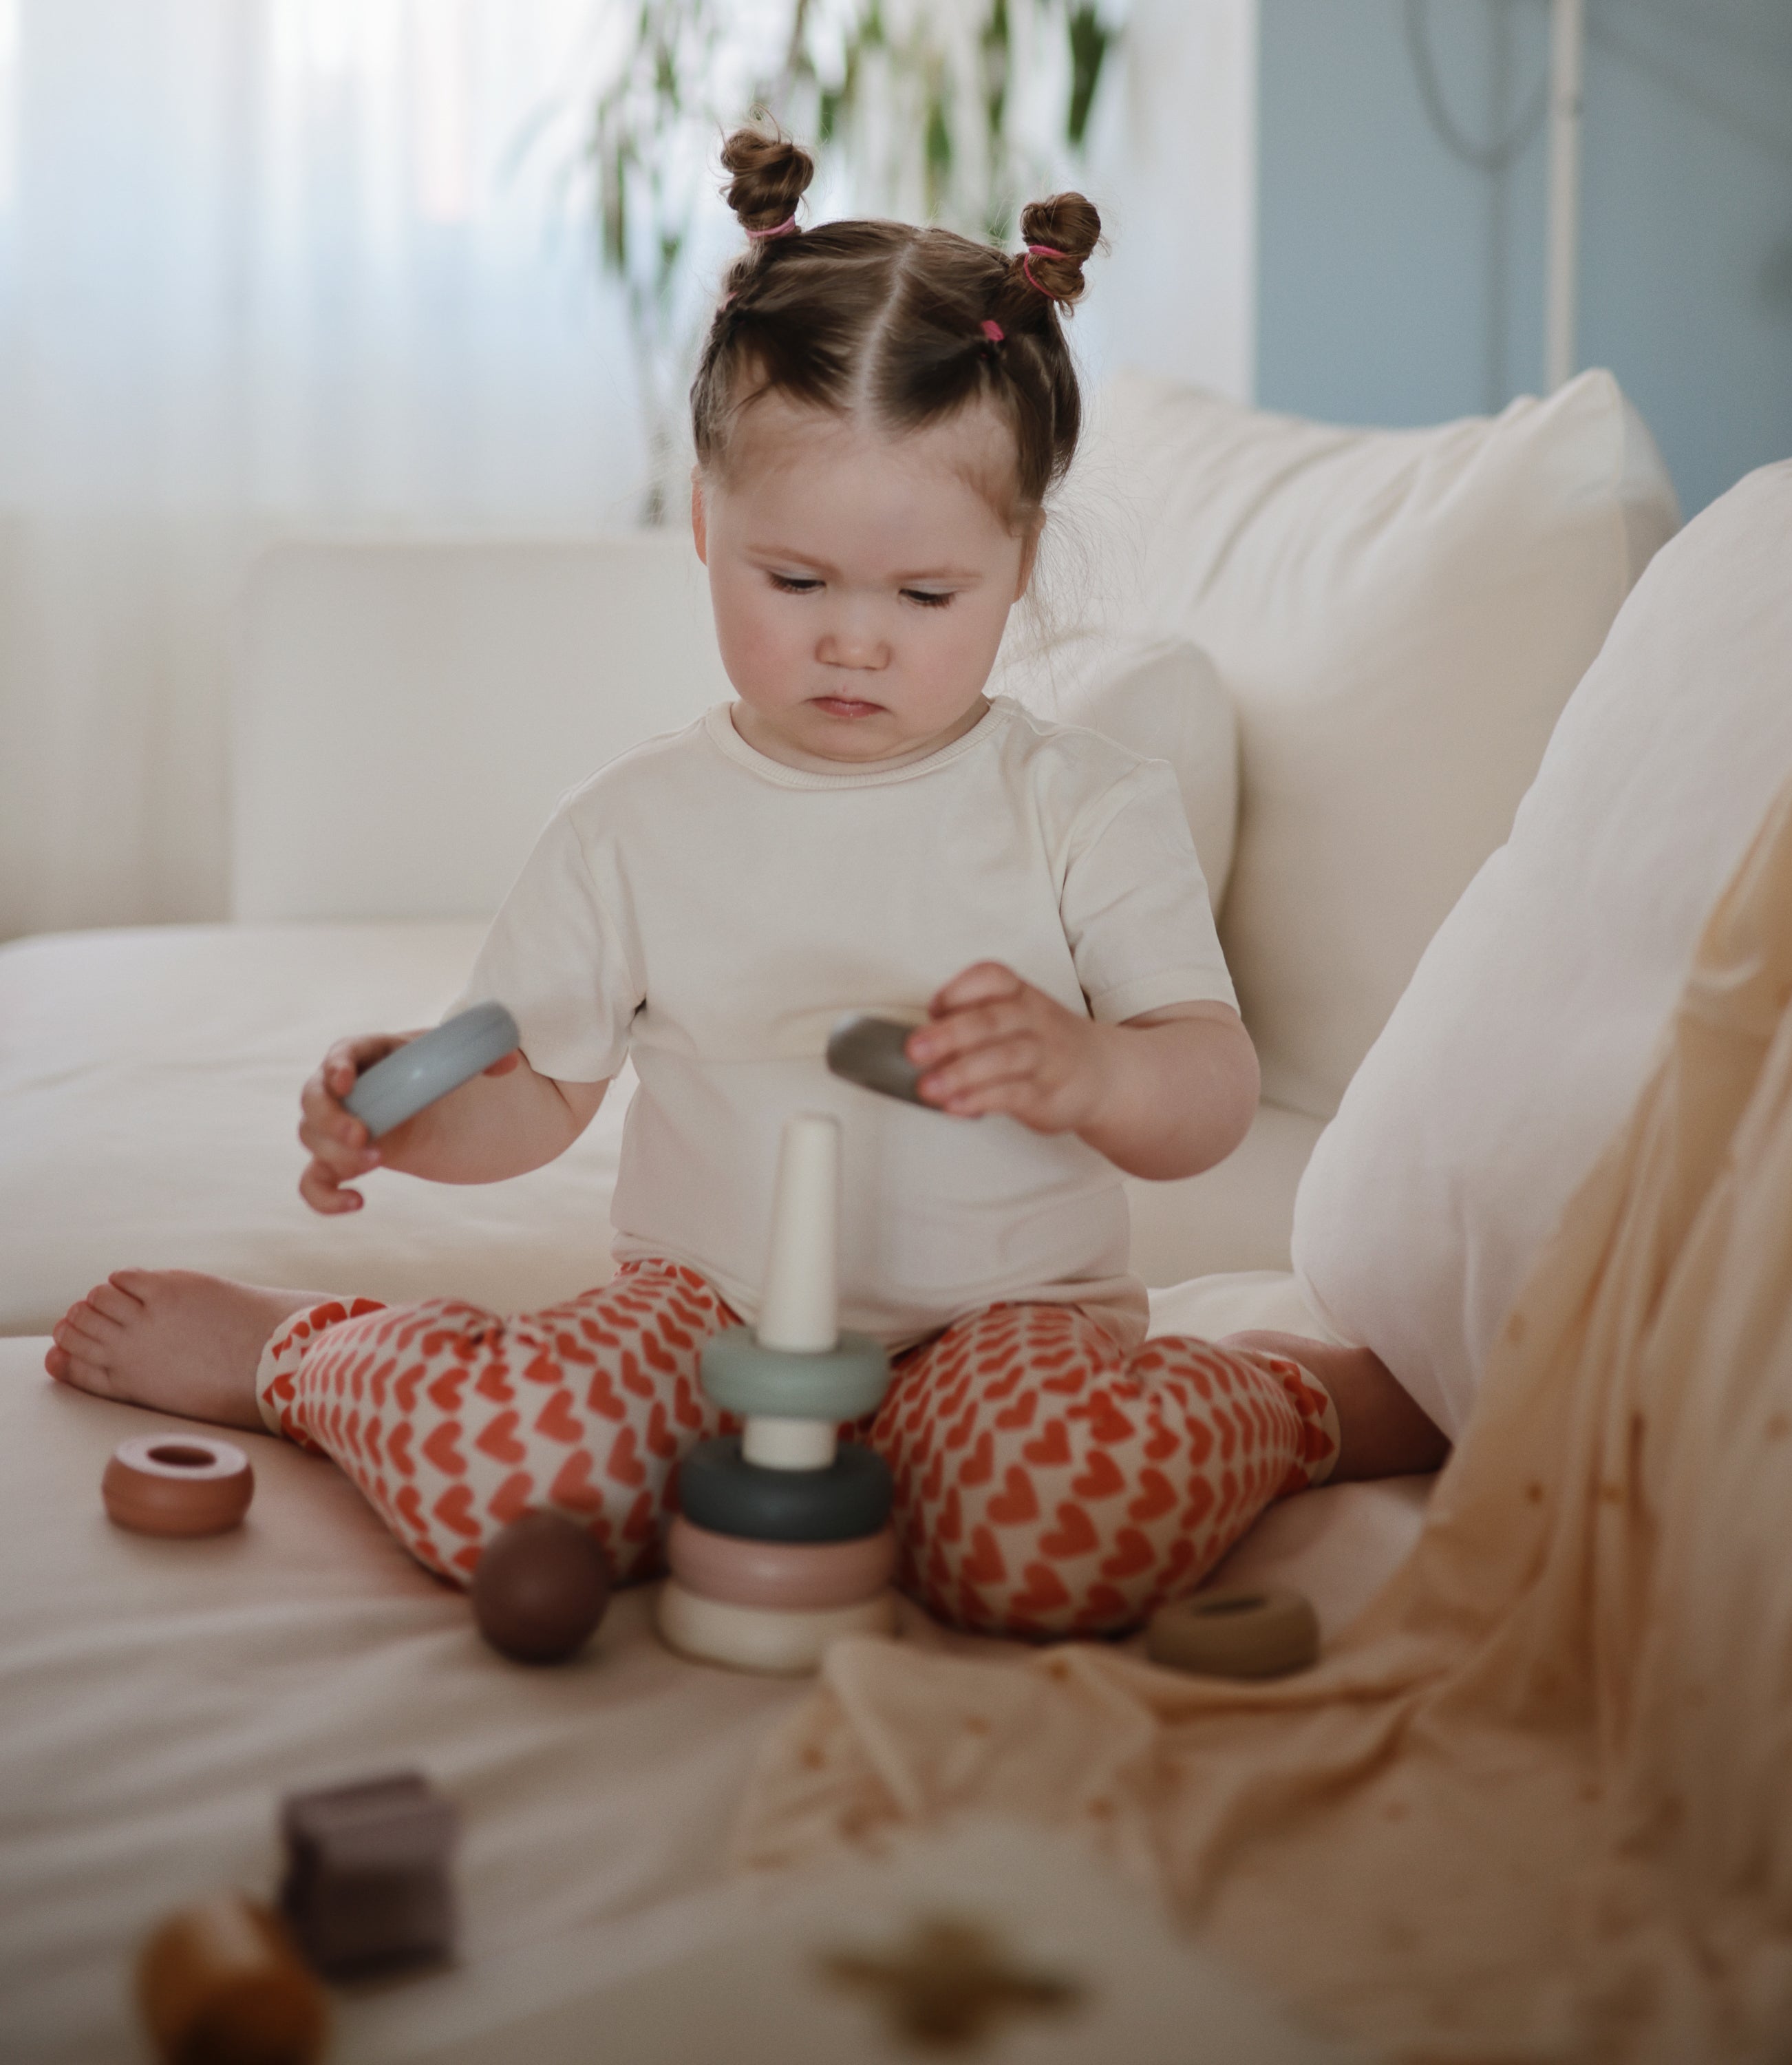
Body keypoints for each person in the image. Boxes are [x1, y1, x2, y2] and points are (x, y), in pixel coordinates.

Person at [47, 129, 1447, 1637]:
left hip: (1002, 1329)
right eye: (795, 583)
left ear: (1022, 557)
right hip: (710, 1322)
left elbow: (1209, 1096)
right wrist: (401, 1116)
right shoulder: (637, 825)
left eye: (924, 596)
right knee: (525, 1472)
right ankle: (303, 1354)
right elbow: (529, 1090)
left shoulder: (1084, 806)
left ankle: (1297, 1404)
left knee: (1047, 1538)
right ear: (707, 525)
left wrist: (1092, 1069)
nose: (856, 640)